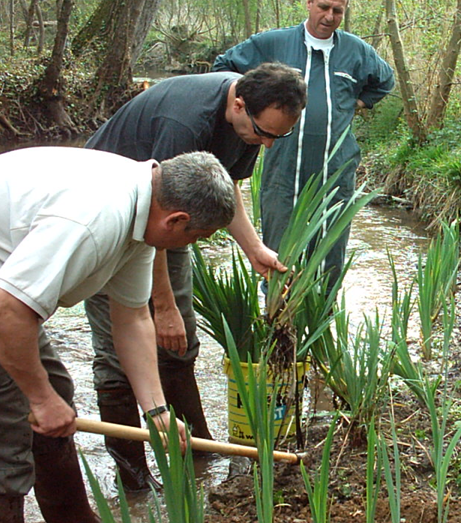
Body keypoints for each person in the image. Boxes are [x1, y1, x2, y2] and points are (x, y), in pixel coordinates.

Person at [0, 147, 237, 523]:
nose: (189, 246)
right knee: (0, 446)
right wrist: (39, 401)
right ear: (177, 220)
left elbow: (134, 316)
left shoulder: (144, 213)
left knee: (56, 394)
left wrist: (156, 412)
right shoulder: (96, 216)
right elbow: (3, 311)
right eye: (197, 236)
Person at [84, 62, 307, 492]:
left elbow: (229, 190)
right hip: (105, 217)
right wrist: (162, 306)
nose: (268, 144)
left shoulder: (249, 124)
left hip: (165, 217)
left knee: (178, 341)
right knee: (118, 353)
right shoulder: (185, 123)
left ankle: (196, 456)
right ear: (239, 104)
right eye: (265, 133)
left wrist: (254, 247)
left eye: (279, 136)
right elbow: (156, 216)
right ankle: (133, 480)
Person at [212, 0, 395, 287]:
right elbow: (224, 68)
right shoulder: (273, 44)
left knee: (330, 252)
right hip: (283, 168)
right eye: (323, 7)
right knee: (279, 249)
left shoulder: (356, 51)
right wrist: (247, 109)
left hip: (335, 169)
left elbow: (385, 80)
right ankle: (278, 321)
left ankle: (321, 320)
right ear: (309, 3)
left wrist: (356, 104)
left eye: (338, 11)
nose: (329, 16)